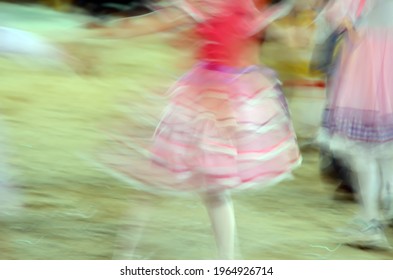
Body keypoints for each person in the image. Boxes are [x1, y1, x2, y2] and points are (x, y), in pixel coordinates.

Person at [92, 0, 301, 259]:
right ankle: (222, 259)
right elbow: (242, 49)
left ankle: (127, 254)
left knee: (172, 181)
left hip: (211, 96)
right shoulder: (236, 6)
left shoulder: (222, 6)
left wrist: (112, 31)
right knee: (199, 186)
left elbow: (161, 25)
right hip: (213, 93)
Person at [317, 0, 393, 249]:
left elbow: (341, 17)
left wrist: (344, 20)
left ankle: (371, 221)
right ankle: (377, 214)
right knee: (383, 151)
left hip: (369, 66)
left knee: (364, 152)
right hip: (380, 62)